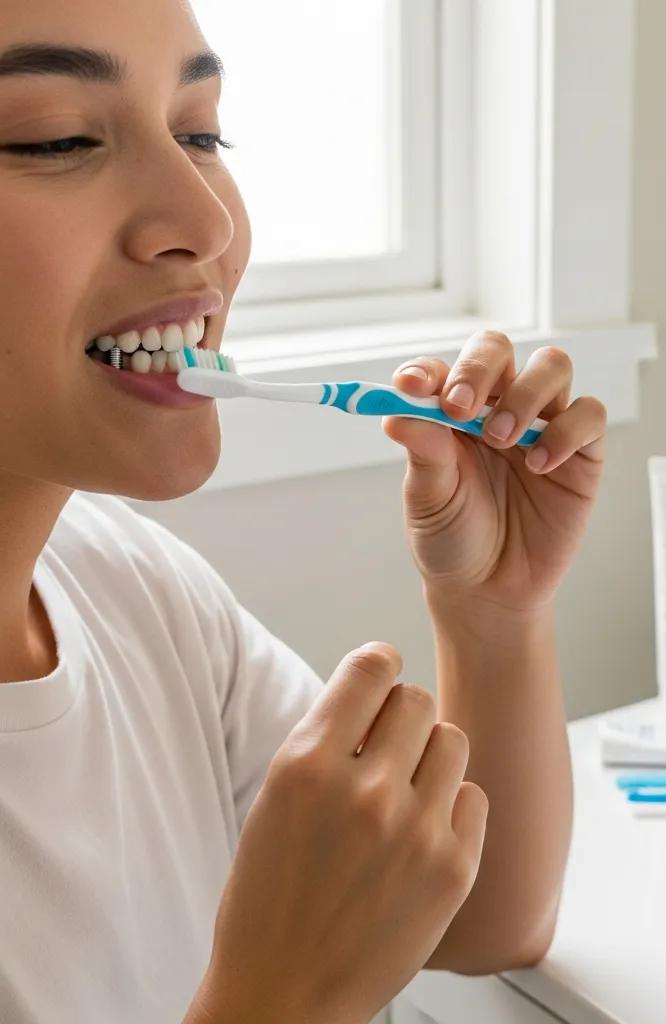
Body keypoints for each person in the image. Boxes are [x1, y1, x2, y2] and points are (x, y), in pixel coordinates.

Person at [0, 0, 609, 1021]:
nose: (209, 221)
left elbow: (477, 923)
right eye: (54, 136)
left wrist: (494, 616)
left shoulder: (138, 592)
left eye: (200, 132)